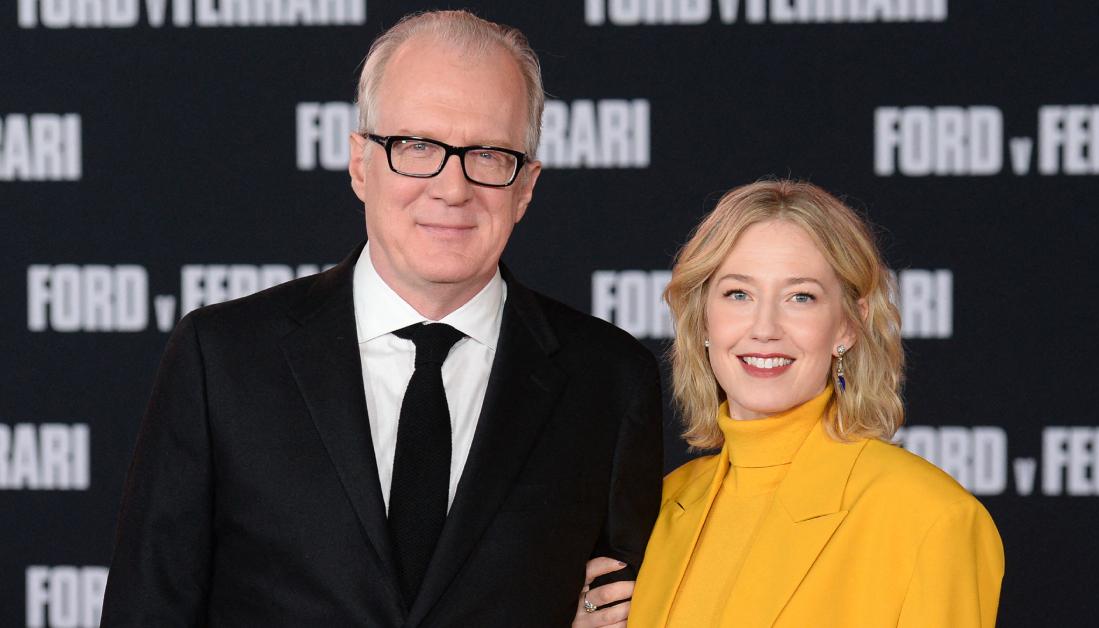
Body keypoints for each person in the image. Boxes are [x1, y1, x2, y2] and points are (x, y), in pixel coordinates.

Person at [100, 10, 662, 627]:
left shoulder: (608, 381)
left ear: (525, 186)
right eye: (417, 146)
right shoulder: (223, 360)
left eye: (489, 154)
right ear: (361, 162)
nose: (452, 188)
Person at [575, 179, 1003, 628]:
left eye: (801, 297)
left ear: (847, 326)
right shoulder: (660, 507)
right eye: (738, 294)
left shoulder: (932, 518)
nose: (765, 327)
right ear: (703, 319)